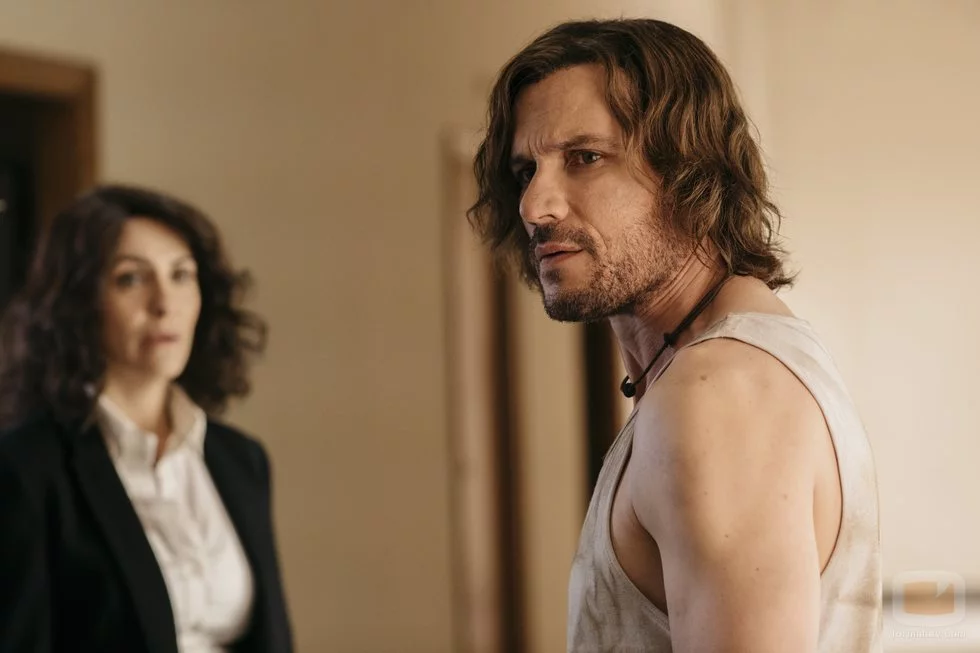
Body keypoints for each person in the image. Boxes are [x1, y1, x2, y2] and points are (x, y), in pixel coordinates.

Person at [468, 18, 881, 653]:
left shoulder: (715, 395)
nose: (535, 205)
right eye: (527, 171)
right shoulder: (713, 371)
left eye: (585, 158)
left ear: (688, 170)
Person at [0, 184, 293, 652]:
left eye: (181, 275)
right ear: (79, 301)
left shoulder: (242, 460)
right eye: (131, 279)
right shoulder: (26, 469)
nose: (164, 303)